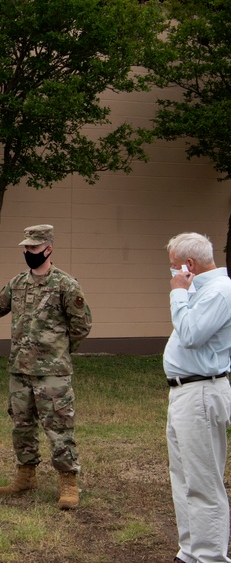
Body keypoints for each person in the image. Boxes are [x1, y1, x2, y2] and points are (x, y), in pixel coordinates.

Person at [0, 224, 92, 510]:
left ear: (48, 248)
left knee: (59, 426)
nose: (28, 252)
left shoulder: (65, 285)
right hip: (19, 370)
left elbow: (82, 324)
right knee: (21, 425)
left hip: (52, 373)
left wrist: (60, 351)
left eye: (33, 248)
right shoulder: (17, 283)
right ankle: (26, 475)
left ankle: (68, 482)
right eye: (25, 248)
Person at [163, 232, 231, 563]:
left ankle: (211, 557)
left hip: (202, 390)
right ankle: (190, 550)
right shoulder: (202, 291)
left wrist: (178, 293)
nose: (172, 274)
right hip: (185, 391)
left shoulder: (219, 292)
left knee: (203, 480)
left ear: (189, 265)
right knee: (184, 477)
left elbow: (190, 335)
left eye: (174, 267)